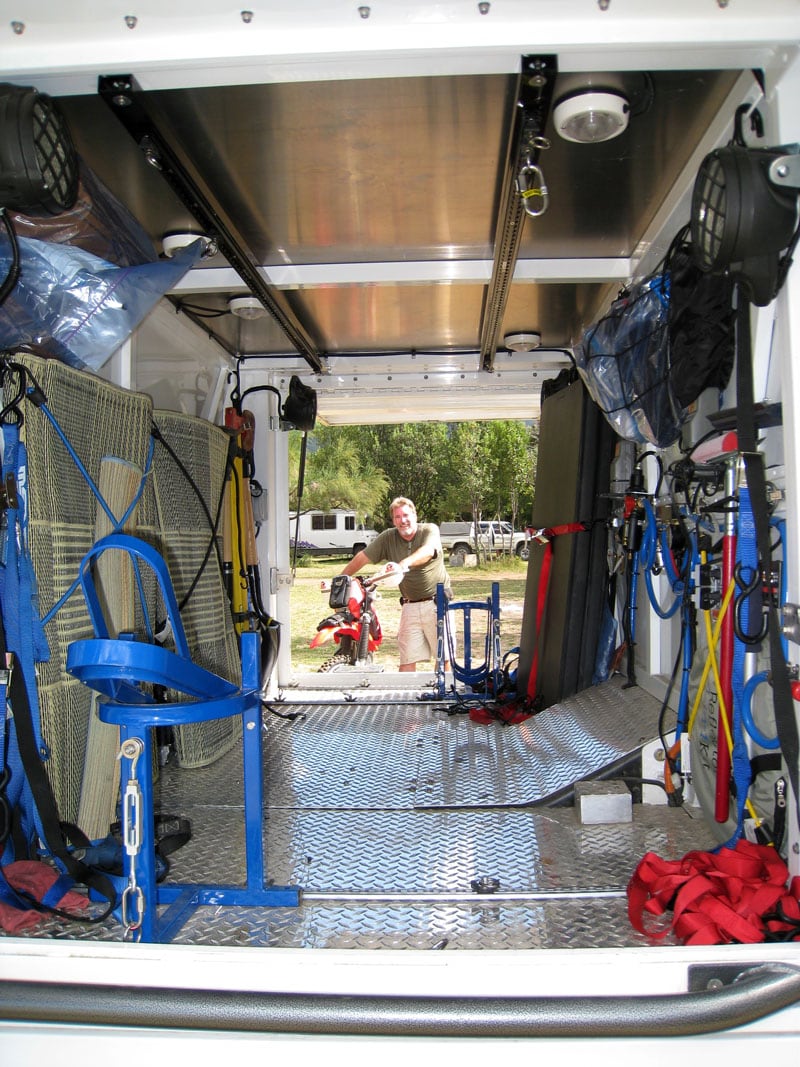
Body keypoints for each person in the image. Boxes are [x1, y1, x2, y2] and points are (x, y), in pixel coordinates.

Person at [339, 497, 452, 672]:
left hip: (437, 603)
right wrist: (341, 578)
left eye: (406, 515)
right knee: (407, 658)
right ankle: (405, 698)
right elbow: (363, 557)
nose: (403, 520)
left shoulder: (429, 530)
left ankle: (444, 697)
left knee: (444, 657)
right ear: (393, 520)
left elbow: (428, 551)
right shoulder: (388, 537)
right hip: (409, 605)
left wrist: (402, 564)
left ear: (415, 515)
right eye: (397, 517)